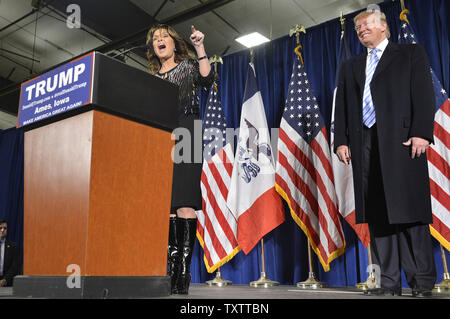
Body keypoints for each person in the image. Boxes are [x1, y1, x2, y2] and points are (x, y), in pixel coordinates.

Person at [334, 6, 437, 297]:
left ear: (383, 26)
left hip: (404, 142)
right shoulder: (350, 66)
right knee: (378, 215)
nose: (361, 29)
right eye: (357, 27)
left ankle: (422, 282)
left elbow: (423, 94)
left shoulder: (410, 54)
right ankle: (386, 282)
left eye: (366, 24)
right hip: (364, 143)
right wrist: (341, 140)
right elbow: (342, 106)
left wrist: (421, 132)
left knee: (411, 214)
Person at [146, 24, 214, 294]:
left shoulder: (187, 67)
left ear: (174, 43)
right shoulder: (150, 79)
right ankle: (171, 270)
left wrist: (200, 47)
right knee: (168, 207)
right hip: (161, 139)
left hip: (187, 134)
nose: (159, 40)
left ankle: (183, 273)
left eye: (164, 37)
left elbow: (207, 79)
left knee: (185, 202)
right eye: (155, 39)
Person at [0, 219, 19, 287]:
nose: (2, 230)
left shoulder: (13, 247)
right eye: (0, 228)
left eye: (5, 228)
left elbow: (15, 267)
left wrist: (5, 280)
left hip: (7, 283)